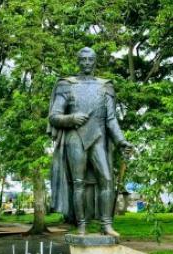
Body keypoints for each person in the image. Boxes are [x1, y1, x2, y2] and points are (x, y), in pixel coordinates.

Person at [48, 47, 131, 236]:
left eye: (90, 59)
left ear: (95, 61)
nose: (86, 63)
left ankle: (106, 224)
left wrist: (121, 142)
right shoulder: (66, 85)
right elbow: (54, 116)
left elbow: (111, 120)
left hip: (98, 137)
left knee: (107, 179)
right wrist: (71, 118)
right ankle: (81, 225)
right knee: (78, 183)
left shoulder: (105, 87)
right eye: (83, 59)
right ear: (78, 61)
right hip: (75, 136)